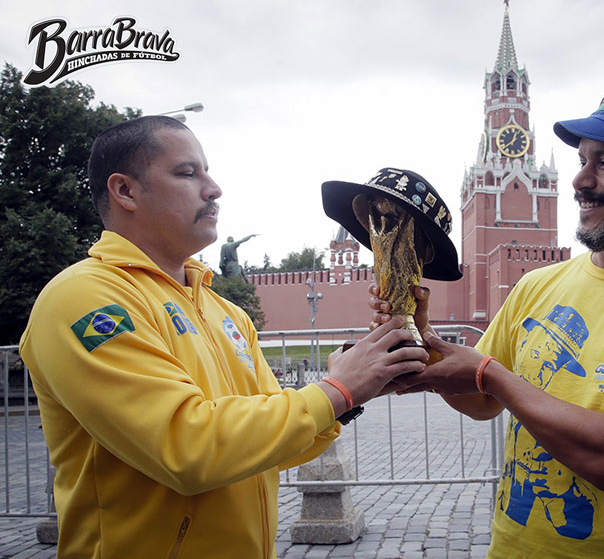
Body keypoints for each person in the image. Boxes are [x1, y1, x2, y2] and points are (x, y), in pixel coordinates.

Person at [369, 61, 604, 557]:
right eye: (582, 159)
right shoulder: (538, 285)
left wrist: (488, 373)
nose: (580, 180)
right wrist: (427, 347)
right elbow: (482, 402)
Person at [19, 115, 428, 559]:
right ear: (125, 191)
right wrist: (337, 390)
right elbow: (187, 449)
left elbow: (269, 445)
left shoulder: (224, 311)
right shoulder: (85, 298)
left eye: (208, 172)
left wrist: (362, 383)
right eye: (187, 172)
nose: (213, 188)